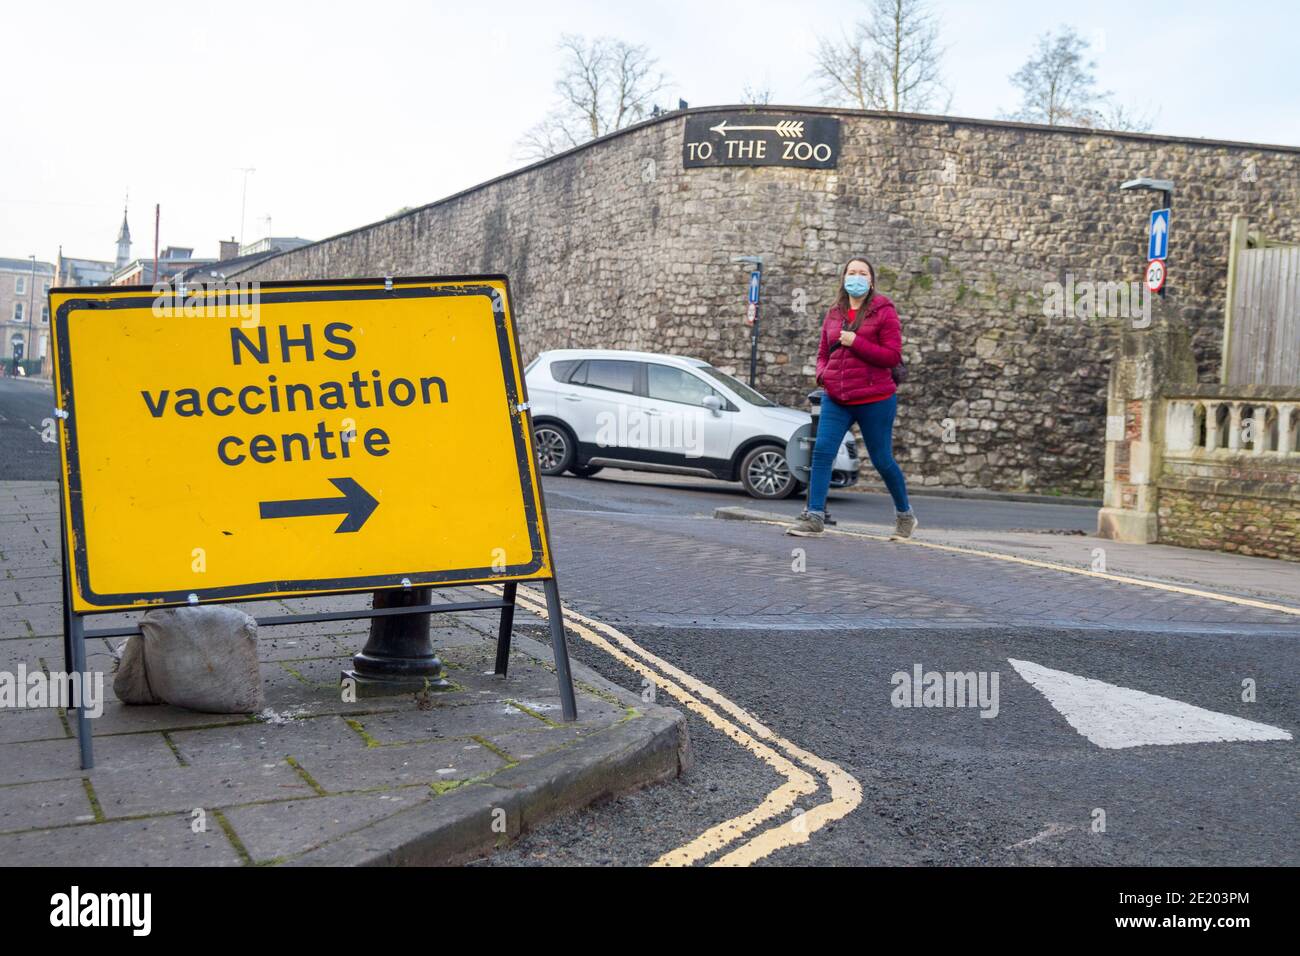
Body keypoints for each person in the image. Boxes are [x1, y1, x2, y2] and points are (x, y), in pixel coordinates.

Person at [788, 255, 917, 538]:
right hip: (838, 396)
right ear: (844, 278)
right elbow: (823, 351)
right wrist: (823, 375)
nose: (855, 277)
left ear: (870, 281)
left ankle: (905, 515)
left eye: (862, 273)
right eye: (851, 272)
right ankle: (814, 517)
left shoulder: (883, 311)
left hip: (876, 398)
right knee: (822, 452)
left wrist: (856, 342)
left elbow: (892, 356)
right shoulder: (835, 312)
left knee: (882, 460)